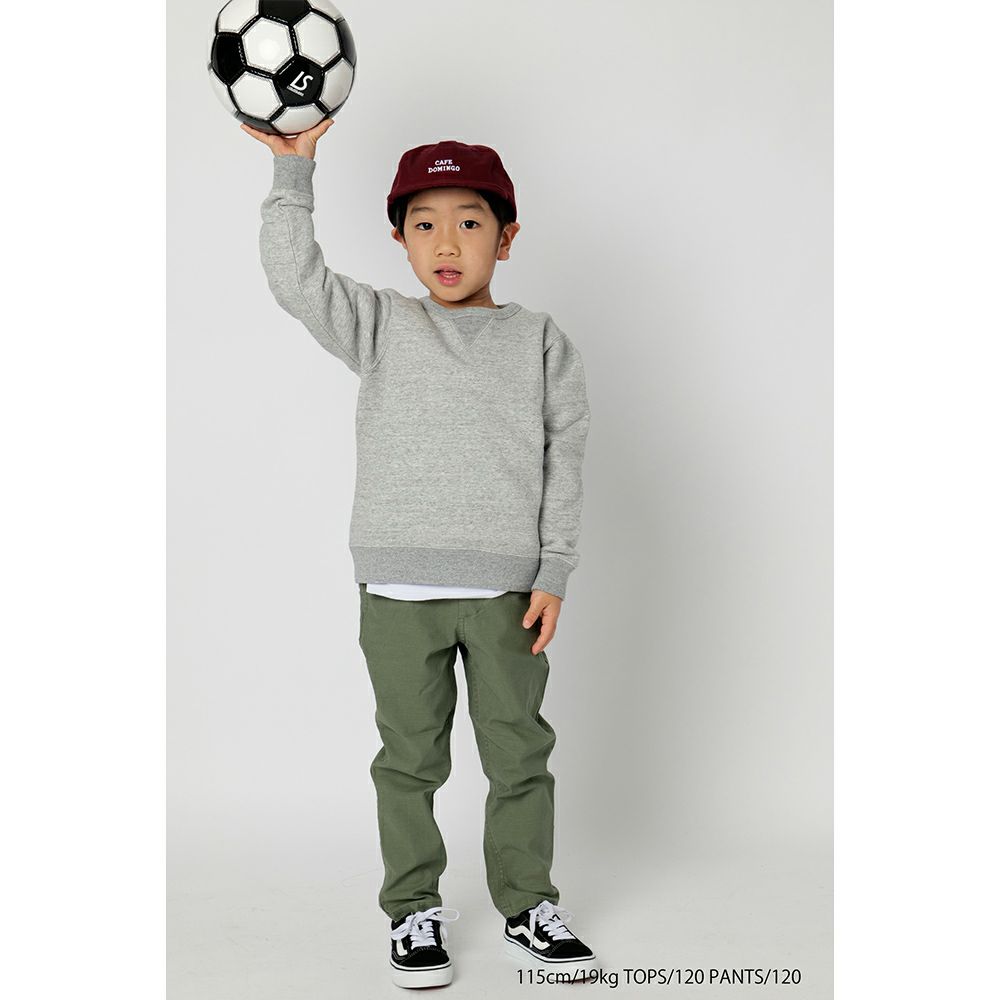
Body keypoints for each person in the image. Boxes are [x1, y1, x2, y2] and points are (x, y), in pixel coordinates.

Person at [242, 117, 596, 989]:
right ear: (399, 239)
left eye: (470, 222)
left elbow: (565, 456)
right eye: (425, 223)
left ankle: (527, 904)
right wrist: (293, 171)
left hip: (507, 592)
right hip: (398, 591)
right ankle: (412, 910)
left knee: (520, 755)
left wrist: (553, 570)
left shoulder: (541, 340)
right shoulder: (379, 325)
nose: (447, 242)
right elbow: (294, 278)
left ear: (506, 238)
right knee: (408, 761)